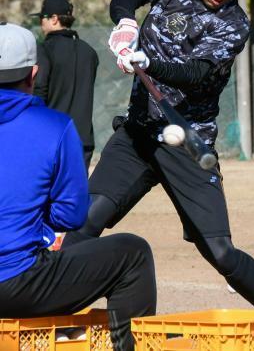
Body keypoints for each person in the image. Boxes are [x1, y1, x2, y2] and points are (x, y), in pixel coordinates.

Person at [63, 0, 254, 310]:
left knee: (219, 252)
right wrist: (126, 23)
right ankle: (55, 312)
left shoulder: (234, 25)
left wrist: (151, 63)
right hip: (138, 134)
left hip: (187, 142)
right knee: (84, 222)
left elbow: (198, 75)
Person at [0, 23, 156, 351]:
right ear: (33, 73)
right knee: (133, 253)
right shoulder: (54, 127)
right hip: (16, 283)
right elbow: (70, 218)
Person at [30, 0, 99, 171]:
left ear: (54, 19)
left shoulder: (44, 50)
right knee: (74, 196)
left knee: (48, 195)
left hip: (53, 138)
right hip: (82, 140)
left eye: (42, 18)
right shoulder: (89, 52)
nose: (41, 24)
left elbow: (39, 91)